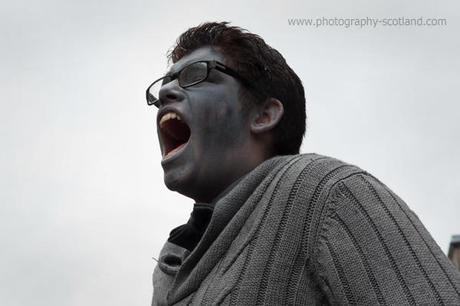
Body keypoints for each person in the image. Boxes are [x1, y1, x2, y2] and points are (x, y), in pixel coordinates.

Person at [147, 22, 460, 305]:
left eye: (195, 75)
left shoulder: (326, 192)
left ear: (264, 115)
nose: (165, 92)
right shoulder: (171, 266)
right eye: (167, 82)